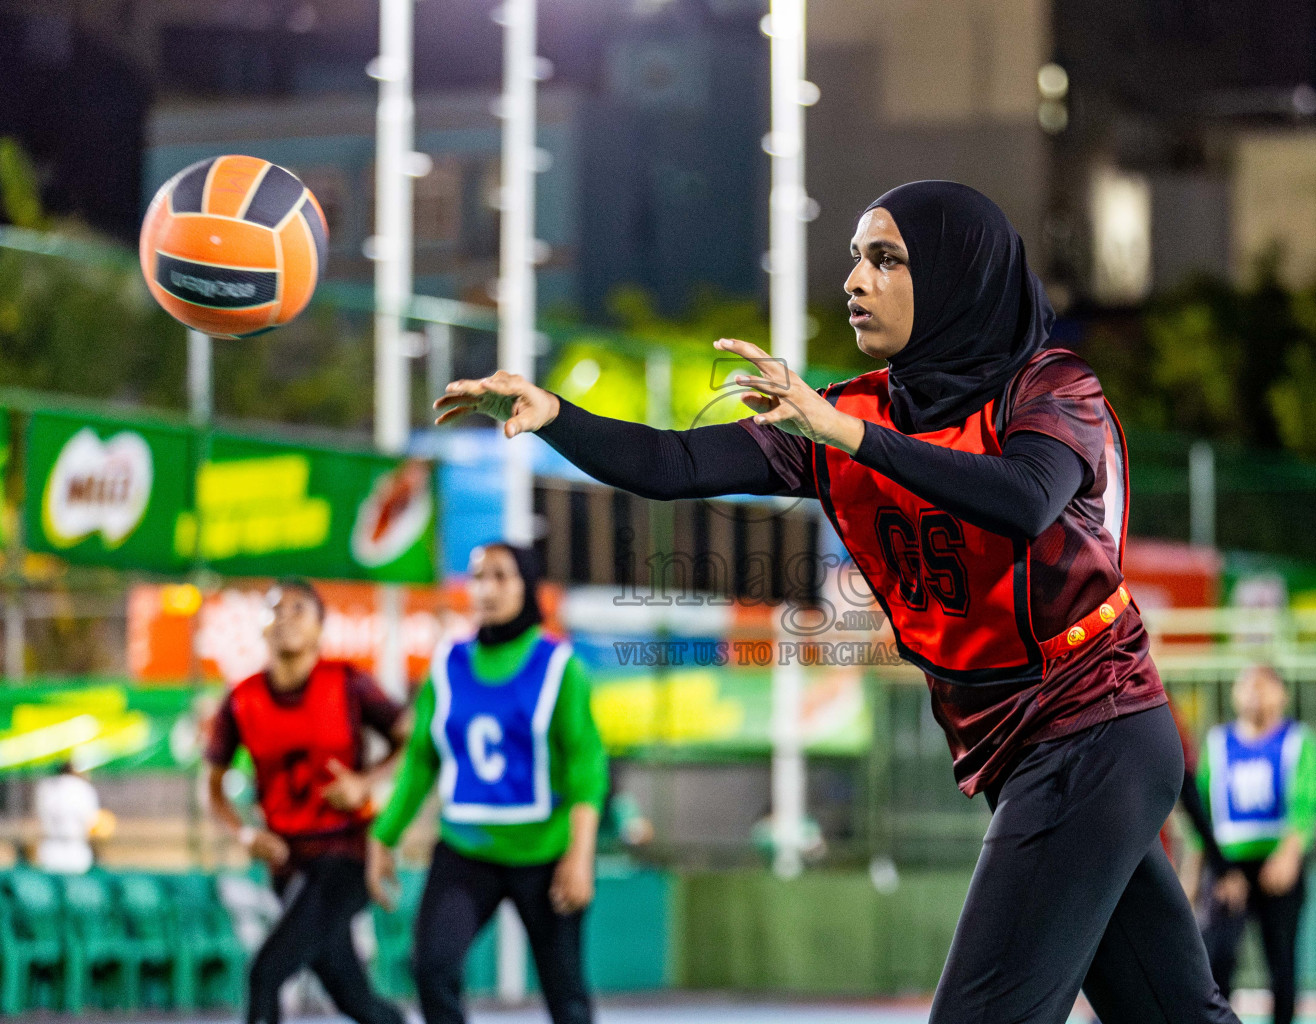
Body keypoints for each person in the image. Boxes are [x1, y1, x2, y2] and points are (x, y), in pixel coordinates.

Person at [434, 181, 1238, 1024]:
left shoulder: (1047, 388)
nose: (855, 280)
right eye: (855, 257)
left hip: (1092, 726)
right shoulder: (849, 412)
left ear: (958, 278)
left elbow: (1024, 497)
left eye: (885, 259)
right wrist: (554, 413)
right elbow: (675, 465)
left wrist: (844, 434)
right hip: (1024, 745)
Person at [367, 543, 607, 1024]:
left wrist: (580, 855)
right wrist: (382, 836)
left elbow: (587, 767)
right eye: (478, 577)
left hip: (544, 854)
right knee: (431, 969)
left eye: (501, 576)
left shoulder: (559, 667)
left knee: (567, 997)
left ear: (527, 587)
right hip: (466, 850)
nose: (487, 588)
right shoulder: (448, 665)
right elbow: (421, 760)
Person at [204, 579, 409, 1024]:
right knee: (354, 999)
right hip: (288, 862)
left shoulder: (347, 683)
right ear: (260, 628)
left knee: (266, 973)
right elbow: (213, 789)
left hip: (348, 854)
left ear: (320, 627)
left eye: (299, 609)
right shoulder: (242, 700)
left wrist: (366, 781)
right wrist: (244, 832)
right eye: (275, 609)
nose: (285, 618)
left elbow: (411, 740)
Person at [1195, 664, 1316, 1024]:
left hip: (1278, 864)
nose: (1256, 693)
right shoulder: (1218, 744)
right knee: (1216, 962)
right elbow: (1201, 813)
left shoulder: (1299, 741)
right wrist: (1203, 871)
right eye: (1248, 685)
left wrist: (1289, 855)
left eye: (1265, 686)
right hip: (1226, 867)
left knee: (1281, 963)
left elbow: (1306, 803)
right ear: (1235, 694)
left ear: (1283, 694)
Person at [34, 759, 102, 874]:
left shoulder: (46, 787)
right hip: (76, 851)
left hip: (50, 851)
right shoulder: (83, 789)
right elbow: (92, 823)